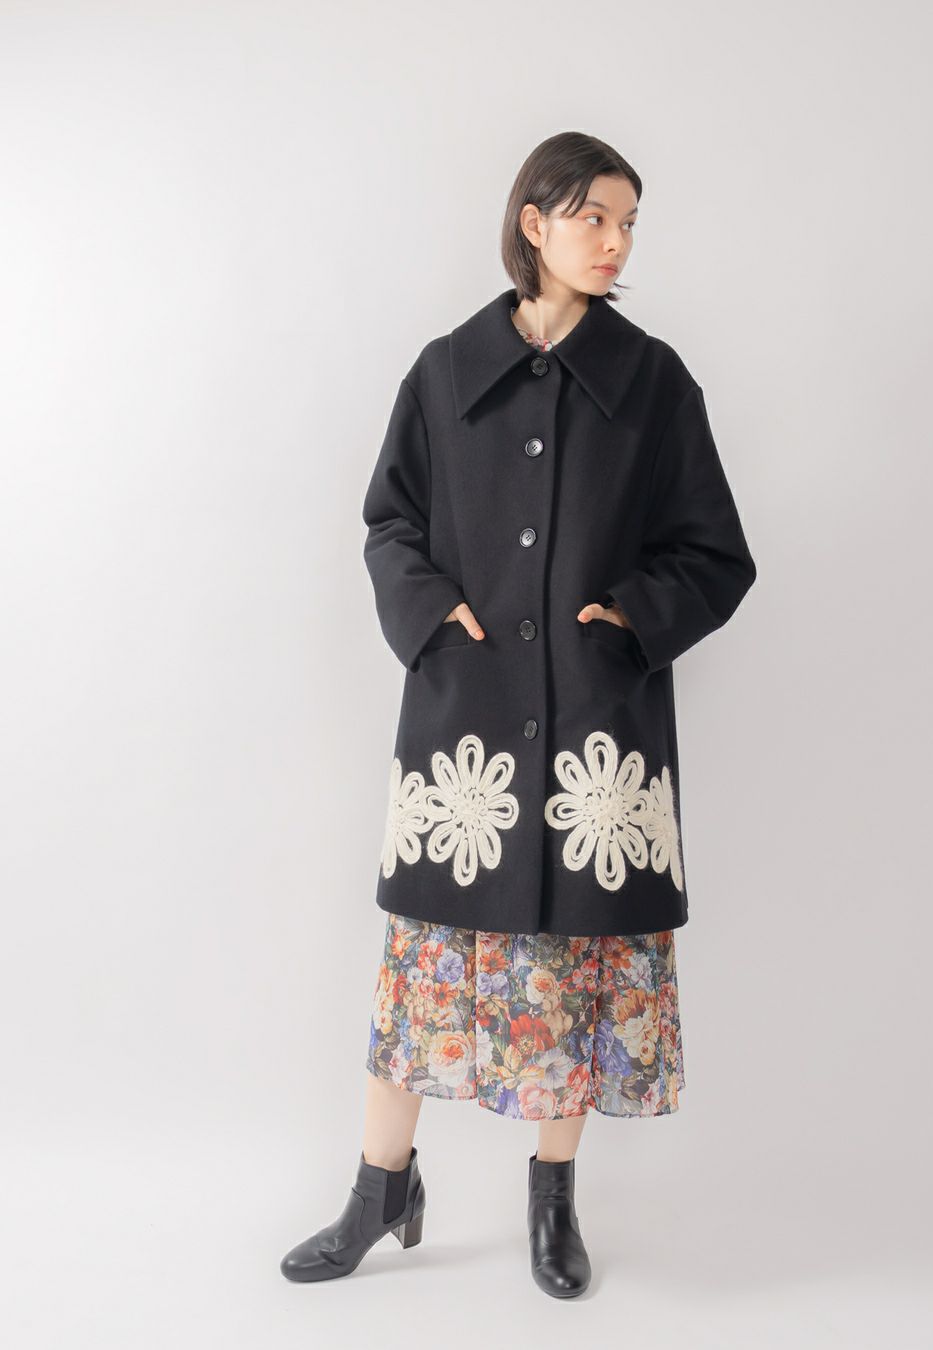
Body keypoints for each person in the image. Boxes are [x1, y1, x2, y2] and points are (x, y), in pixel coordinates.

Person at [280, 131, 757, 1298]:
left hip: (596, 726)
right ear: (534, 222)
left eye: (629, 222)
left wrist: (630, 620)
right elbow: (389, 522)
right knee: (422, 972)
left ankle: (553, 1200)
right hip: (469, 735)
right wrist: (431, 615)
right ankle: (379, 1189)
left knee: (572, 978)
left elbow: (716, 551)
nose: (617, 241)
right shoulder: (447, 373)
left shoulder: (652, 382)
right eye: (595, 217)